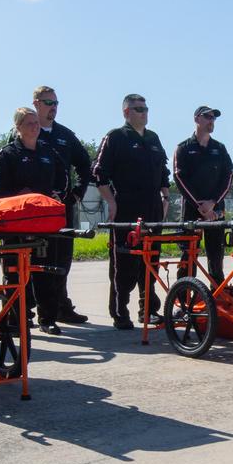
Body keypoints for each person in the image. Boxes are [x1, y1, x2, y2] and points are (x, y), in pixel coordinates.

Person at [94, 93, 171, 330]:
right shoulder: (116, 137)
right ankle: (120, 311)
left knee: (151, 261)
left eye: (146, 108)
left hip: (153, 208)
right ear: (126, 112)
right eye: (138, 109)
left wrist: (165, 197)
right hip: (127, 207)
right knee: (125, 262)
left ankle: (147, 310)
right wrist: (111, 202)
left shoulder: (154, 138)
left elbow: (164, 174)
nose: (144, 113)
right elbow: (99, 173)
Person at [0, 107, 67, 334]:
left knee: (45, 272)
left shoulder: (48, 152)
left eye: (36, 123)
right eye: (29, 123)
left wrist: (57, 195)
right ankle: (16, 318)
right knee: (14, 272)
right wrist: (19, 198)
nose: (34, 127)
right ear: (18, 127)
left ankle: (48, 319)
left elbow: (63, 179)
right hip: (15, 225)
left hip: (44, 223)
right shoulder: (7, 155)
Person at [32, 85, 93, 326]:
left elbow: (85, 164)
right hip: (34, 211)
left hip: (62, 209)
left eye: (56, 103)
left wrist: (77, 192)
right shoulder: (26, 131)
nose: (53, 108)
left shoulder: (65, 135)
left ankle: (60, 306)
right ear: (36, 103)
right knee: (37, 260)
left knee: (62, 260)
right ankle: (31, 310)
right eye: (48, 103)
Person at [173, 106, 233, 281]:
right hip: (192, 212)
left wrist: (213, 203)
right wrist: (200, 205)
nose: (211, 120)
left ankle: (217, 300)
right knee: (188, 257)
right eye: (207, 116)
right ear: (196, 119)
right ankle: (184, 301)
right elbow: (179, 178)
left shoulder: (219, 148)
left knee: (216, 257)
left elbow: (229, 175)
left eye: (213, 118)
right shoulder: (183, 148)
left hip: (216, 212)